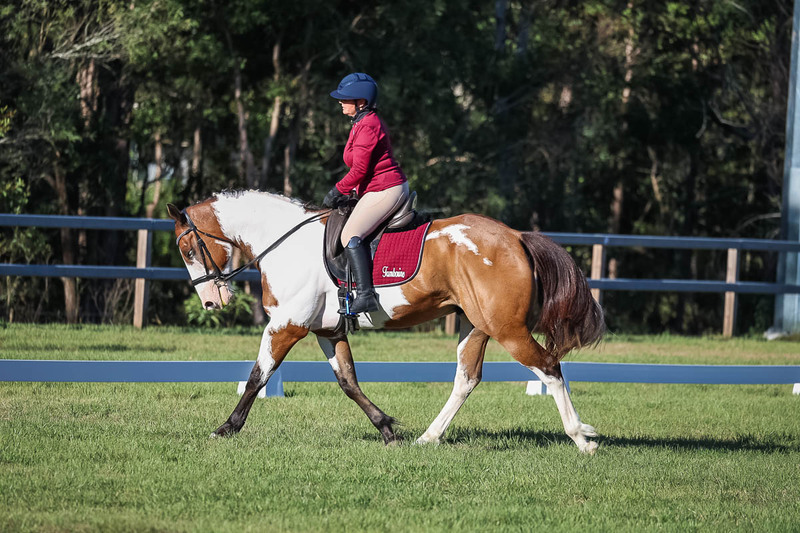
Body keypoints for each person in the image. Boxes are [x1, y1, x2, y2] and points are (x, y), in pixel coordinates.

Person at [323, 72, 409, 314]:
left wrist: (337, 190)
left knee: (350, 234)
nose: (340, 101)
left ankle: (366, 295)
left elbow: (360, 168)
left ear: (361, 102)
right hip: (375, 187)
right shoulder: (361, 122)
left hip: (386, 188)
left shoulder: (368, 125)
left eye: (345, 98)